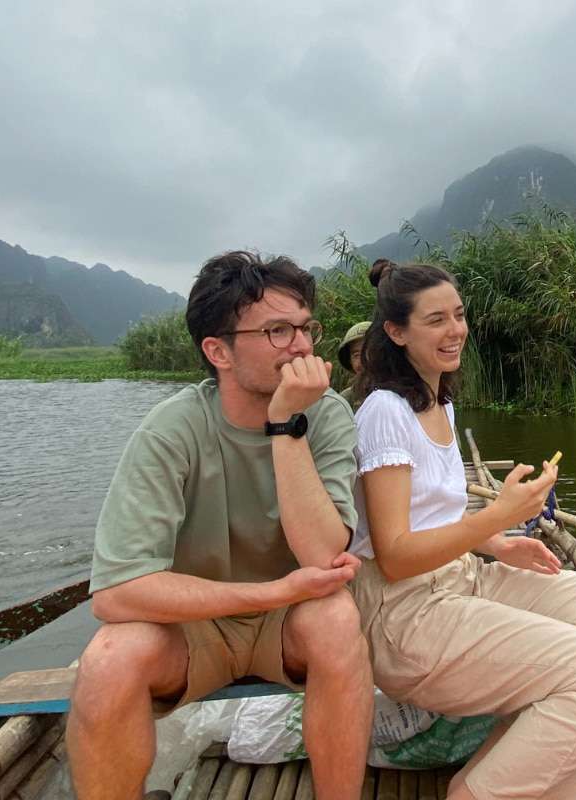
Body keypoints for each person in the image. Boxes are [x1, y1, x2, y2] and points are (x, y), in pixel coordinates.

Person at [67, 251, 373, 800]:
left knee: (335, 618)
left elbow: (323, 557)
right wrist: (269, 591)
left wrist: (286, 425)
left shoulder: (326, 414)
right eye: (278, 330)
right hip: (194, 628)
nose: (303, 347)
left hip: (289, 621)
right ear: (218, 350)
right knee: (110, 658)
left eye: (306, 328)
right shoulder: (172, 431)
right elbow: (116, 595)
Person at [349, 260, 576, 800]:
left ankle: (490, 780)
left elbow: (430, 516)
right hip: (406, 616)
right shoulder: (384, 413)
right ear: (396, 332)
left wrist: (496, 542)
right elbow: (392, 555)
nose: (454, 330)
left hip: (459, 580)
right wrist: (498, 515)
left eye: (458, 316)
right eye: (435, 320)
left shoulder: (438, 400)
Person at [337, 319, 371, 407]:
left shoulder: (405, 394)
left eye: (371, 352)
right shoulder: (344, 402)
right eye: (357, 355)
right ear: (350, 362)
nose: (364, 360)